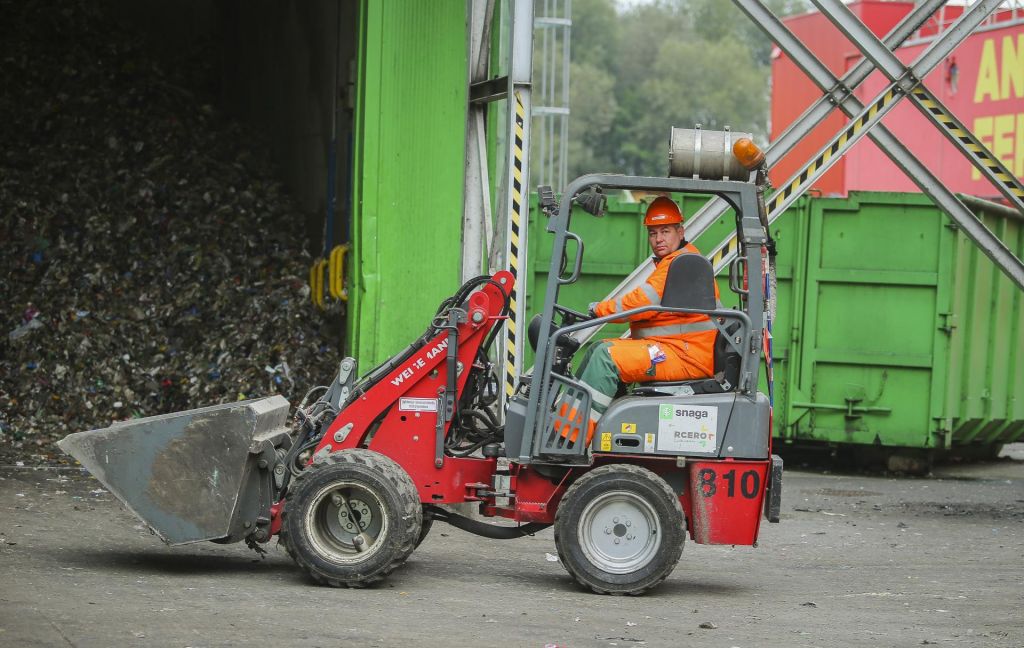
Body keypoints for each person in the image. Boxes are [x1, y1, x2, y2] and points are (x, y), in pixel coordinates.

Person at [556, 196, 720, 443]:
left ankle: (567, 439)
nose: (659, 239)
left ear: (680, 231)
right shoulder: (674, 262)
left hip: (684, 355)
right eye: (653, 233)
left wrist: (600, 309)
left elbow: (641, 304)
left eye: (665, 231)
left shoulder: (679, 263)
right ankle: (565, 427)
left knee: (605, 358)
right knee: (598, 349)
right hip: (676, 350)